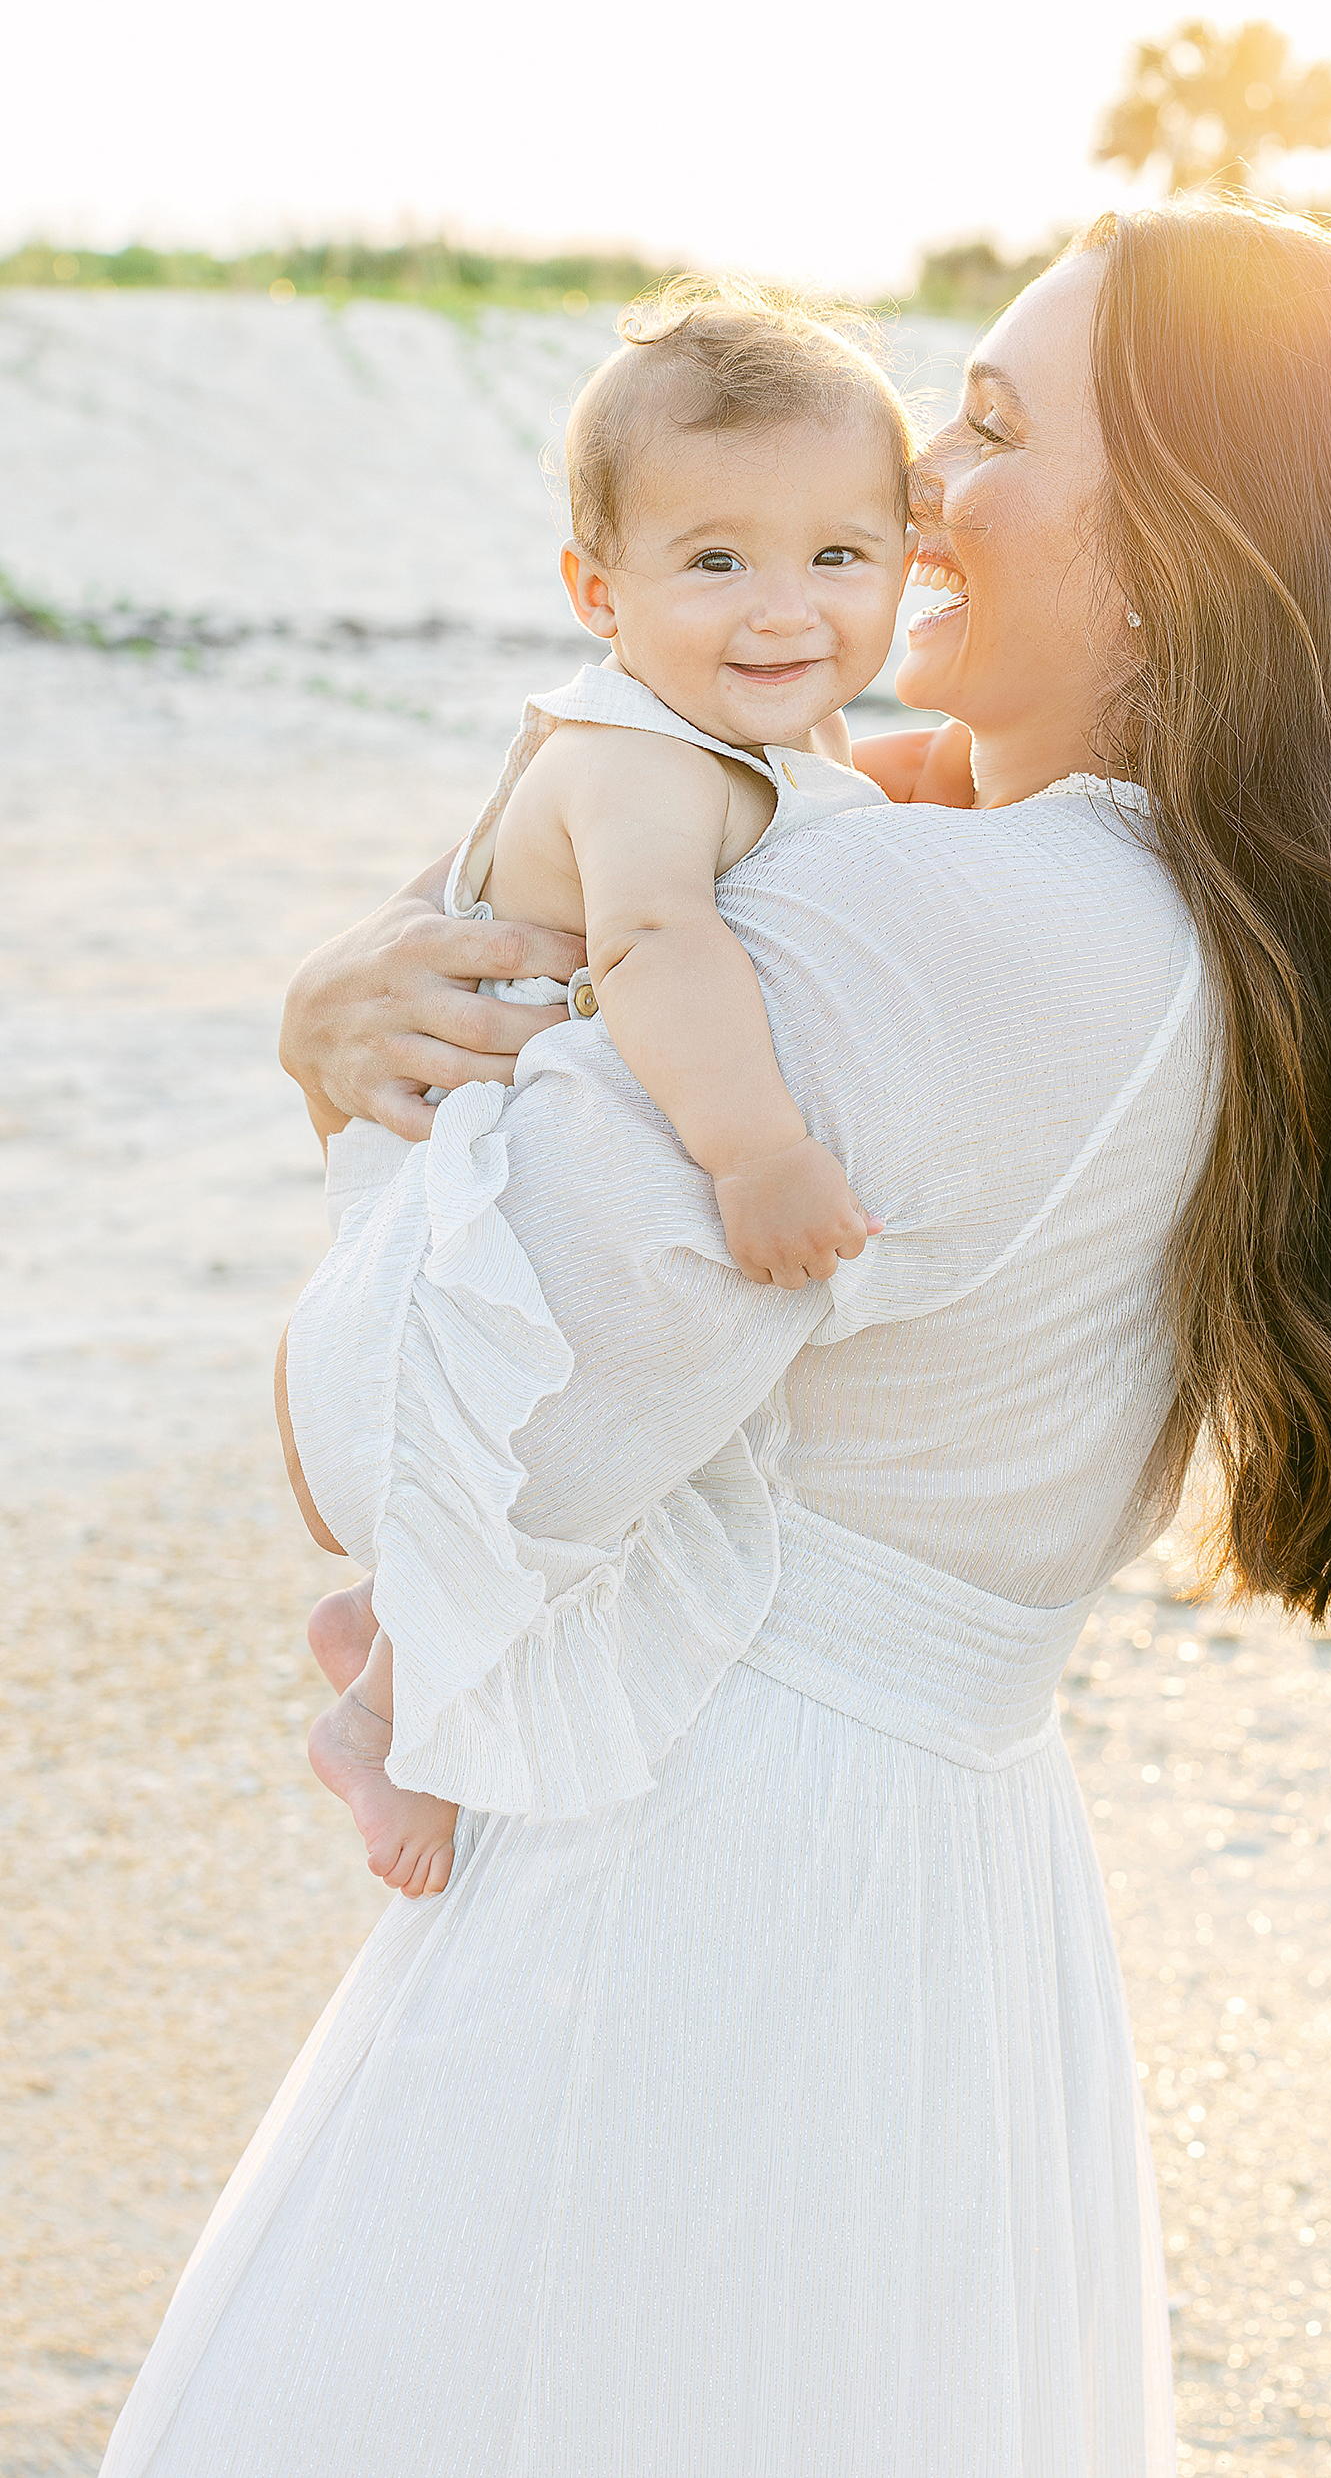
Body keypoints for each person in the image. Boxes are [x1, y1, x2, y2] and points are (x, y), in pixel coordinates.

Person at [101, 201, 1331, 2478]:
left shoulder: (920, 925)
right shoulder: (1204, 921)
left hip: (707, 1889)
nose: (910, 489)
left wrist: (346, 1065)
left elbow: (415, 1453)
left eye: (982, 430)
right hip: (940, 1888)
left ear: (1172, 553)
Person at [302, 286, 913, 1900]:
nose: (784, 609)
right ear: (600, 590)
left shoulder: (760, 730)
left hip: (499, 1171)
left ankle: (391, 1615)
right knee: (556, 1437)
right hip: (472, 1203)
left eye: (837, 557)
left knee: (601, 1461)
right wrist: (759, 1149)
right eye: (717, 561)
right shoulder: (640, 760)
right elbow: (651, 945)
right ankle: (389, 1721)